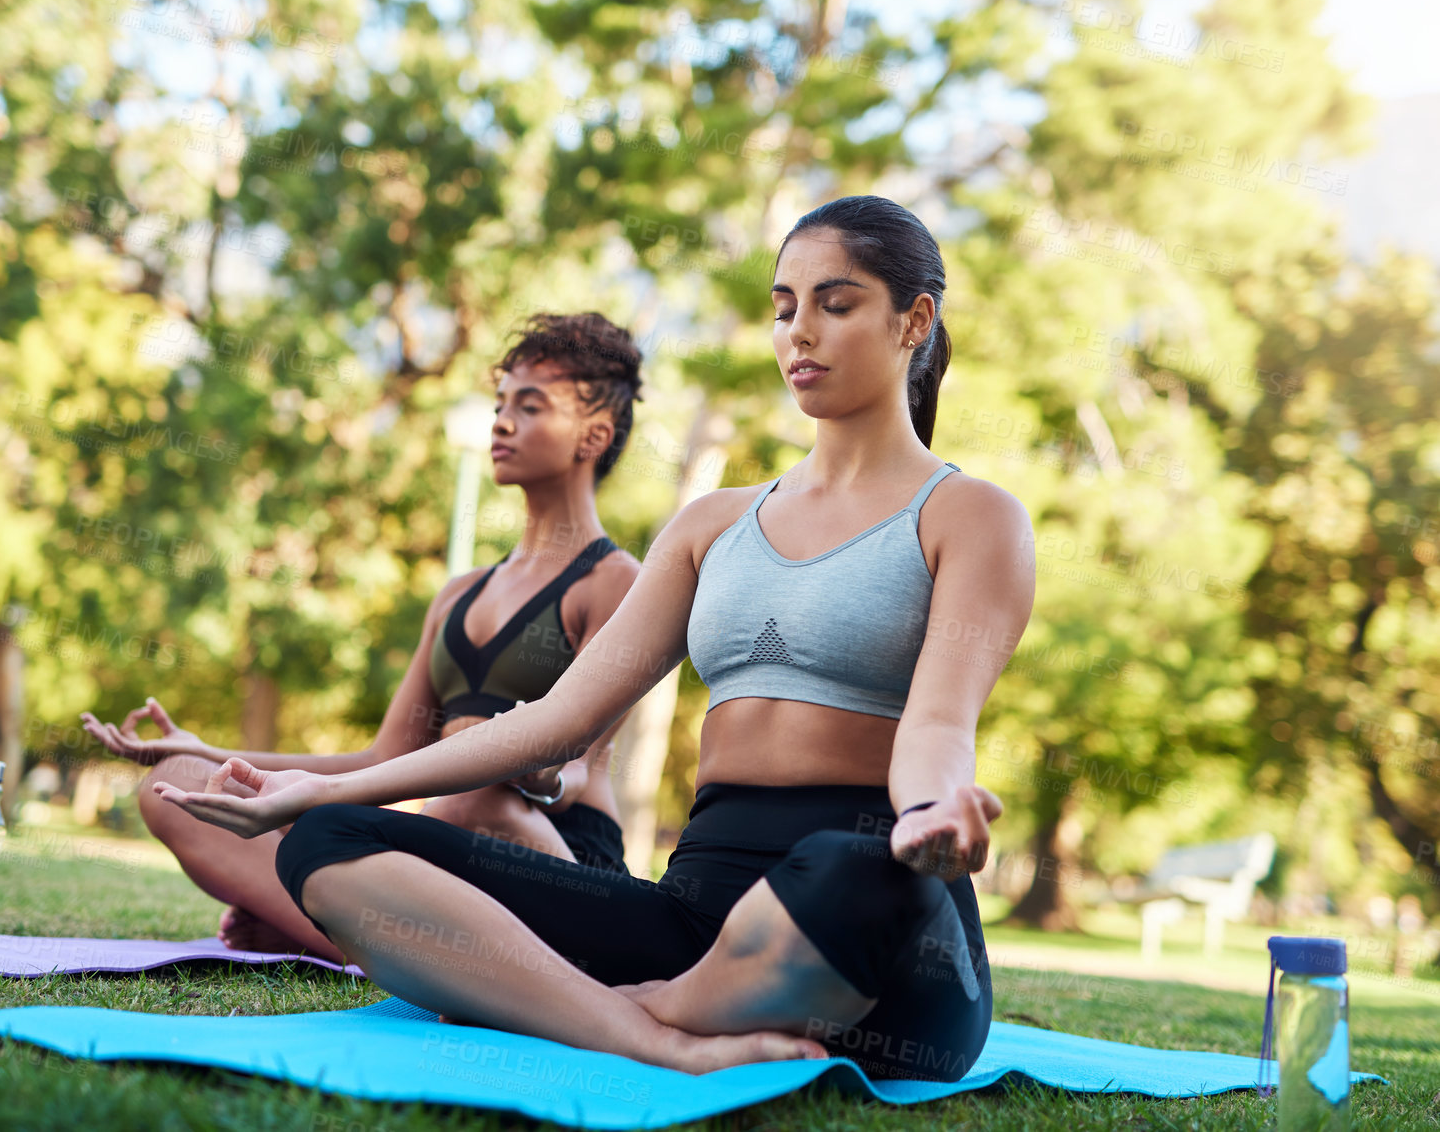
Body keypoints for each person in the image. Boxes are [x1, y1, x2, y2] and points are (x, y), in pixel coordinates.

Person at [140, 196, 1036, 1077]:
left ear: (913, 320)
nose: (797, 332)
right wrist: (309, 794)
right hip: (689, 923)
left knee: (852, 863)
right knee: (331, 842)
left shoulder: (970, 516)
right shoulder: (709, 525)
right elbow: (551, 722)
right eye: (781, 307)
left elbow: (936, 727)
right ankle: (647, 1028)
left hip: (869, 936)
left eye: (835, 305)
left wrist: (929, 817)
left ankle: (604, 1003)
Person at [81, 312, 648, 961]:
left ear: (593, 435)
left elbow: (579, 772)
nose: (501, 421)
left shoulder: (615, 580)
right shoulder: (457, 594)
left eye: (530, 405)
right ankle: (375, 940)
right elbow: (382, 763)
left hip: (559, 858)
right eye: (498, 403)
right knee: (178, 785)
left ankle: (357, 931)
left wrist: (526, 767)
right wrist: (207, 751)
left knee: (470, 784)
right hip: (448, 841)